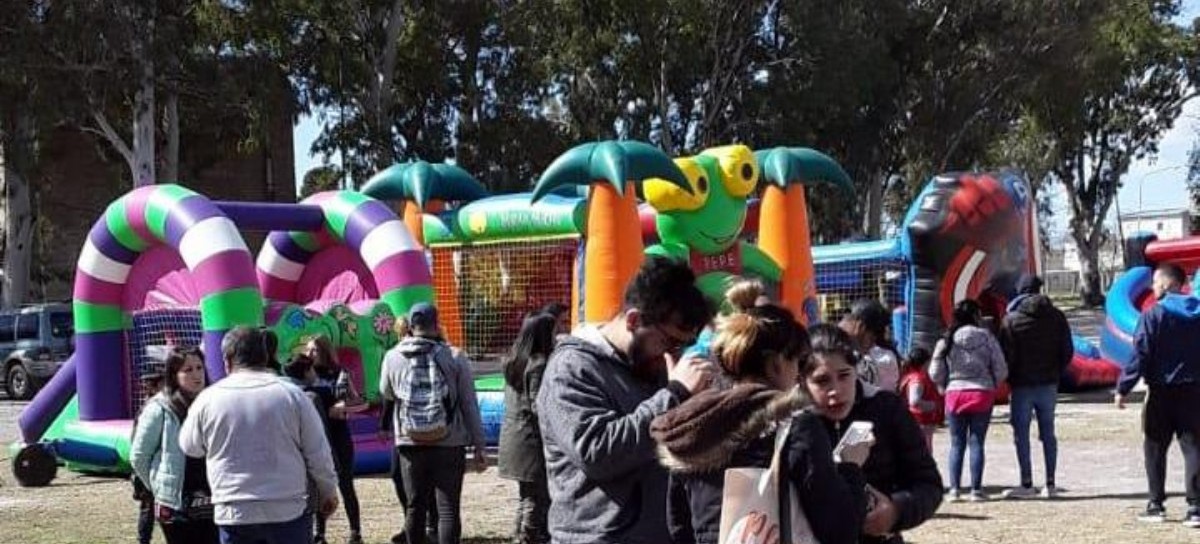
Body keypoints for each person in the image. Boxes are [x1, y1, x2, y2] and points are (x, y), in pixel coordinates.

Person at [653, 305, 870, 544]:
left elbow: (678, 524)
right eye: (796, 362)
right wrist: (851, 466)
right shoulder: (795, 425)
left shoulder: (691, 426)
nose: (797, 374)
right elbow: (840, 530)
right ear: (776, 363)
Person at [536, 256, 717, 544]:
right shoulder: (571, 368)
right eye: (669, 342)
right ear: (633, 320)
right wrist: (674, 394)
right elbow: (597, 452)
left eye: (683, 346)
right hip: (596, 537)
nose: (673, 355)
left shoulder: (652, 366)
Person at [179, 326, 339, 544]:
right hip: (287, 508)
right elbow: (318, 451)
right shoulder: (292, 395)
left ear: (227, 360)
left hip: (234, 510)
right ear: (266, 357)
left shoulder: (208, 399)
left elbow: (190, 446)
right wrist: (328, 490)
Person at [803, 324, 944, 544]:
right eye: (822, 380)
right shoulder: (794, 423)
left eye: (844, 376)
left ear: (856, 370)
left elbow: (928, 484)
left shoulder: (886, 409)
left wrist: (896, 511)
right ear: (802, 382)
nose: (835, 390)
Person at [380, 302, 488, 544]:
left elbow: (386, 392)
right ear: (436, 323)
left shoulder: (392, 356)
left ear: (410, 325)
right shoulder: (455, 356)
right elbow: (469, 404)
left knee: (414, 506)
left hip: (409, 441)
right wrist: (480, 445)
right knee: (448, 508)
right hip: (449, 442)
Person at [1115, 263, 1200, 526]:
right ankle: (1196, 508)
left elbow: (1141, 353)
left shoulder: (1154, 315)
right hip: (1194, 390)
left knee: (1154, 448)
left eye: (1155, 282)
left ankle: (1156, 505)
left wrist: (1123, 387)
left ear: (1167, 284)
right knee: (1194, 449)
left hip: (1161, 391)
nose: (1152, 287)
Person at [998, 274, 1073, 500]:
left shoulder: (1011, 320)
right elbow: (1067, 351)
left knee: (1021, 435)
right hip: (1048, 383)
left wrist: (1010, 376)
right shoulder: (1057, 316)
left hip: (1021, 385)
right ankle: (1050, 483)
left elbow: (1005, 355)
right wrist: (1056, 372)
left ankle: (1027, 483)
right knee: (1048, 434)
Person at [131, 348, 217, 544]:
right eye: (187, 370)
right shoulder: (160, 408)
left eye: (199, 368)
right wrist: (159, 486)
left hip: (212, 493)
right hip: (175, 500)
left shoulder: (213, 402)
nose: (196, 374)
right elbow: (139, 456)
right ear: (174, 374)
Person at [929, 299, 1007, 503]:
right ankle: (976, 490)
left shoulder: (946, 340)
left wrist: (943, 385)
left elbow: (934, 370)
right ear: (976, 315)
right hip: (982, 392)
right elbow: (1001, 367)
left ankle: (954, 489)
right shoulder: (987, 337)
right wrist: (992, 383)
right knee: (977, 442)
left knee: (956, 443)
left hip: (955, 393)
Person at [498, 313, 559, 544]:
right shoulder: (538, 364)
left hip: (514, 436)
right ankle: (529, 537)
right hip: (531, 440)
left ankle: (521, 535)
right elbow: (538, 405)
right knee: (537, 496)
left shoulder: (513, 360)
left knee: (526, 495)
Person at [305, 334, 365, 544]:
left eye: (314, 350)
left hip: (339, 436)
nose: (310, 354)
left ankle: (355, 531)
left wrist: (345, 407)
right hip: (316, 437)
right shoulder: (305, 375)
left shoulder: (339, 373)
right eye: (308, 350)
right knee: (318, 486)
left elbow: (360, 402)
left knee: (346, 485)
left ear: (324, 351)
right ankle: (320, 533)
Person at [132, 366, 166, 544]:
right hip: (150, 468)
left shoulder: (156, 406)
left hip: (156, 467)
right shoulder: (151, 409)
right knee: (148, 508)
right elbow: (138, 445)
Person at [840, 299, 901, 392]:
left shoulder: (881, 357)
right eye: (873, 334)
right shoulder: (833, 346)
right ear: (861, 326)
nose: (873, 341)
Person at [898, 347, 941, 452]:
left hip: (917, 421)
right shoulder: (917, 379)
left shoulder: (909, 376)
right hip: (920, 421)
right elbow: (914, 401)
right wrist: (933, 405)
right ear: (926, 362)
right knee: (923, 451)